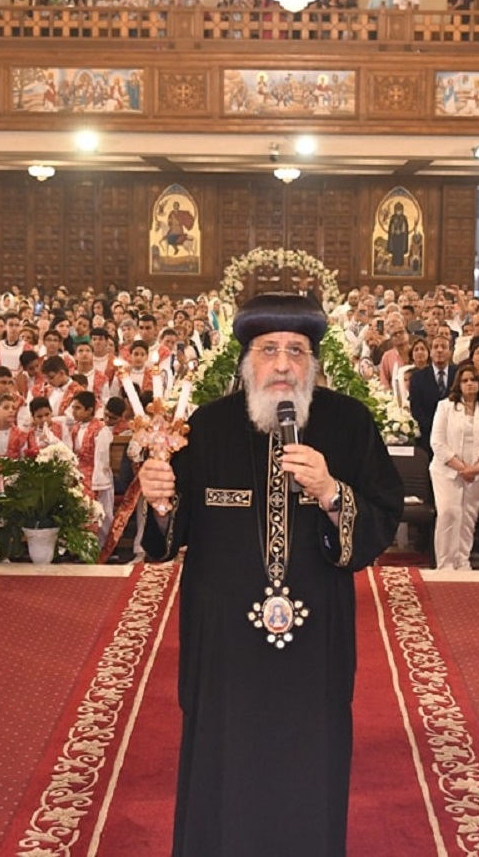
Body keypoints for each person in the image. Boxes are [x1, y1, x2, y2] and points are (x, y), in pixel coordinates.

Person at [138, 293, 403, 857]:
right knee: (223, 759)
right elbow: (168, 534)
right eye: (269, 350)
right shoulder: (205, 428)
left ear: (314, 362)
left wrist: (332, 494)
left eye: (297, 351)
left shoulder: (349, 424)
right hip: (225, 645)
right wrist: (160, 503)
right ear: (246, 361)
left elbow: (382, 521)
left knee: (310, 759)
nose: (283, 364)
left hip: (314, 644)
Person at [429, 365, 479, 571]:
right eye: (465, 380)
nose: (469, 383)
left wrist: (476, 468)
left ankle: (462, 562)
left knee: (468, 517)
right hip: (446, 471)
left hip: (477, 473)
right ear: (458, 385)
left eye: (473, 380)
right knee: (448, 513)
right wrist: (461, 467)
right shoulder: (445, 407)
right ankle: (445, 564)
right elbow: (437, 442)